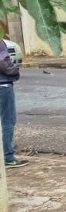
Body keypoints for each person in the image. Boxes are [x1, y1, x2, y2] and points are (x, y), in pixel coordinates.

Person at [0, 38, 26, 168]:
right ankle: (8, 156)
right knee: (8, 121)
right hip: (3, 85)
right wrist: (14, 70)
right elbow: (3, 61)